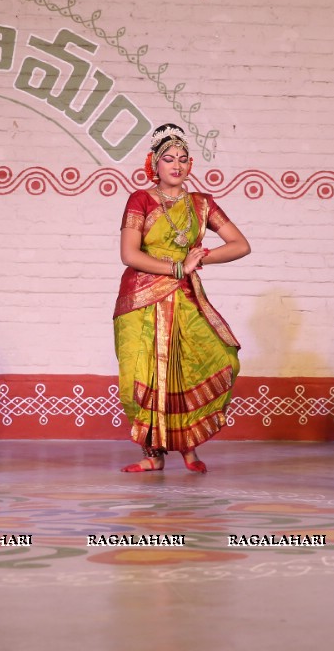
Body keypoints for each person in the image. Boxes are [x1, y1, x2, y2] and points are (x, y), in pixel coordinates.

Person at [114, 124, 250, 473]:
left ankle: (188, 443)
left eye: (184, 159)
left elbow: (240, 245)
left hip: (185, 297)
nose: (177, 165)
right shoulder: (140, 200)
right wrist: (176, 268)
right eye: (169, 159)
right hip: (140, 298)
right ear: (154, 164)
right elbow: (129, 255)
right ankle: (152, 454)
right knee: (141, 375)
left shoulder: (201, 204)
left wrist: (199, 259)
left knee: (201, 365)